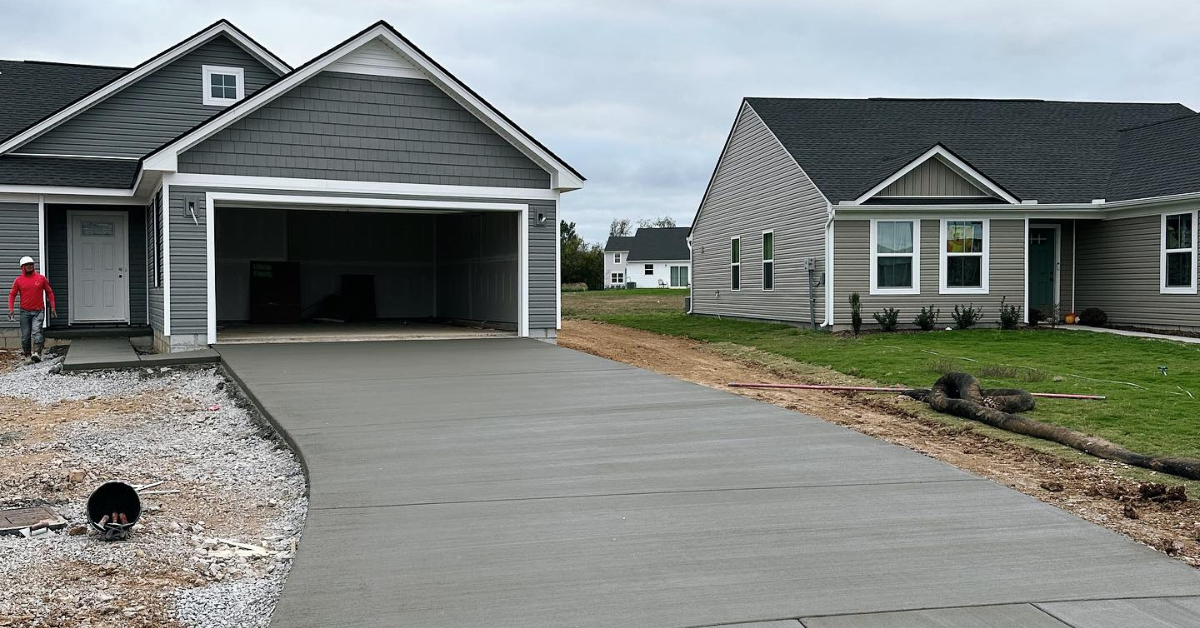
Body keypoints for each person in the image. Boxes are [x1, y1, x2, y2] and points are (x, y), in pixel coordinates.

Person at [7, 256, 56, 363]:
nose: (30, 266)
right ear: (22, 267)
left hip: (38, 311)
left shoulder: (41, 278)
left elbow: (49, 292)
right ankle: (27, 354)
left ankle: (37, 353)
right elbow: (12, 294)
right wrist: (11, 308)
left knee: (37, 331)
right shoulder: (18, 280)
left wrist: (53, 307)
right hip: (24, 311)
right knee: (25, 335)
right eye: (27, 265)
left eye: (31, 264)